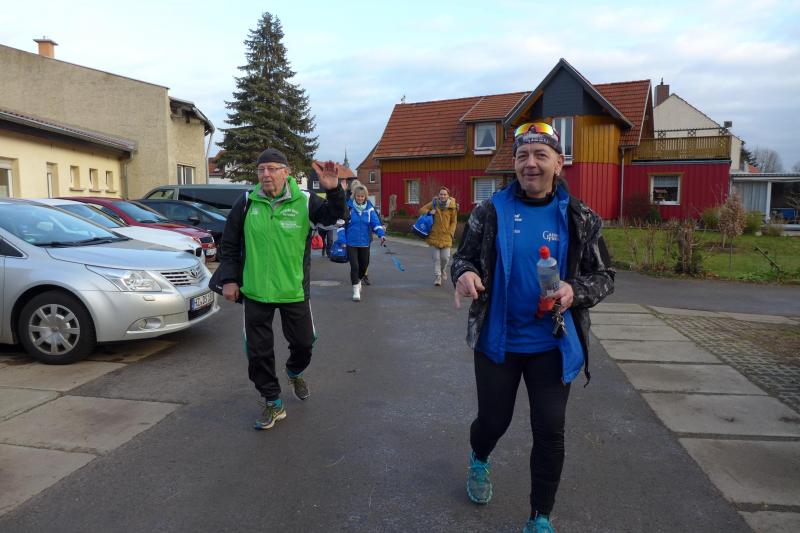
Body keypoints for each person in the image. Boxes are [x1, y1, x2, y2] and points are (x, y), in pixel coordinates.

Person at [451, 122, 614, 533]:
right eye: (523, 155)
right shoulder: (490, 212)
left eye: (541, 155)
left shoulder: (580, 217)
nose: (531, 163)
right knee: (493, 422)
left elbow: (605, 276)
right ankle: (479, 457)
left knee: (550, 430)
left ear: (559, 163)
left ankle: (540, 516)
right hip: (498, 341)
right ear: (514, 164)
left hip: (552, 343)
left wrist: (574, 291)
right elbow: (462, 257)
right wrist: (465, 274)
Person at [217, 150, 346, 430]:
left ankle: (294, 370)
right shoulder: (246, 202)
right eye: (261, 169)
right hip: (255, 290)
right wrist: (229, 279)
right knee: (258, 352)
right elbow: (229, 243)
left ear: (286, 172)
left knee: (304, 343)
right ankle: (273, 401)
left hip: (293, 290)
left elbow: (334, 220)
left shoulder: (305, 201)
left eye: (272, 168)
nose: (266, 174)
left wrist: (334, 191)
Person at [344, 181, 385, 301]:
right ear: (354, 196)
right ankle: (356, 290)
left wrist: (381, 234)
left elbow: (375, 223)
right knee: (354, 266)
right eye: (358, 196)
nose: (360, 198)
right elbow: (342, 225)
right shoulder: (348, 208)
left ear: (365, 197)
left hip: (364, 242)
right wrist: (342, 240)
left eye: (362, 196)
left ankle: (358, 280)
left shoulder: (369, 209)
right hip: (351, 242)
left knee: (364, 265)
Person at [419, 186, 458, 286]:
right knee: (436, 259)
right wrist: (429, 212)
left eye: (445, 194)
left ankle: (443, 270)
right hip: (434, 235)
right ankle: (438, 277)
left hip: (446, 236)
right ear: (438, 195)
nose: (443, 196)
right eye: (441, 194)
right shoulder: (434, 203)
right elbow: (421, 210)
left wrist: (451, 232)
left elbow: (454, 222)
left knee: (445, 258)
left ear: (448, 195)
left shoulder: (452, 207)